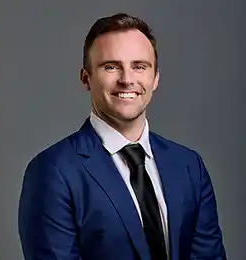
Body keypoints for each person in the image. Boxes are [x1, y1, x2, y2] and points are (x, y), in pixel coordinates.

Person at [18, 13, 227, 260]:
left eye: (139, 66)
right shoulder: (52, 172)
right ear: (86, 78)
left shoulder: (189, 166)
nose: (127, 80)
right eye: (111, 66)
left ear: (155, 78)